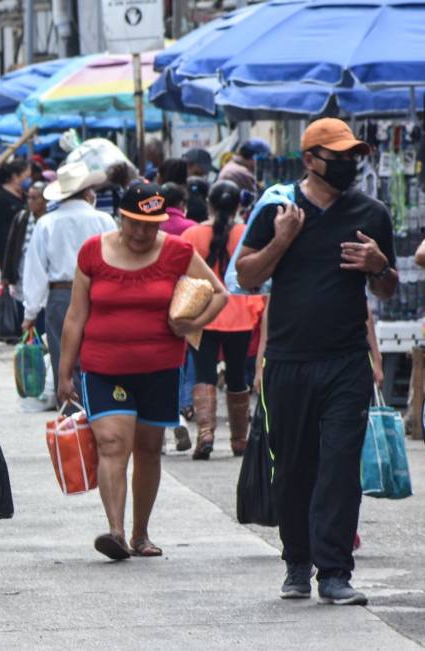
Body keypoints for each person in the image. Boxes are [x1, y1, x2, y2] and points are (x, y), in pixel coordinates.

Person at [235, 118, 397, 606]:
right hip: (288, 360)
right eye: (337, 155)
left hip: (346, 360)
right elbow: (245, 277)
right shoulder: (277, 211)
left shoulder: (371, 212)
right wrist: (282, 240)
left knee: (340, 466)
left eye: (353, 156)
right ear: (310, 159)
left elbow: (386, 288)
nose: (348, 164)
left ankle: (334, 571)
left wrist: (379, 266)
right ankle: (297, 562)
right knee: (294, 467)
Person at [57, 182, 227, 559]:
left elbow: (220, 293)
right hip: (103, 368)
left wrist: (190, 323)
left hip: (161, 369)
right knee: (113, 444)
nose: (142, 233)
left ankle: (140, 533)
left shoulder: (178, 251)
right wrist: (64, 372)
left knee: (148, 448)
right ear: (121, 216)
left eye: (151, 225)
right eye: (134, 223)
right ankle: (115, 531)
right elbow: (75, 315)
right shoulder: (92, 253)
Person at [180, 181, 266, 458]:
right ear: (238, 206)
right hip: (240, 314)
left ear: (209, 204)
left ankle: (205, 434)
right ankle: (239, 439)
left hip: (203, 315)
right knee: (237, 375)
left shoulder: (192, 234)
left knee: (204, 374)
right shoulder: (246, 232)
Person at [22, 162, 116, 398]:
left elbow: (35, 270)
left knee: (64, 356)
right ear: (87, 192)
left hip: (61, 296)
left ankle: (72, 417)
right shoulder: (104, 220)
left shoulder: (47, 223)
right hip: (100, 293)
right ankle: (101, 406)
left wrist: (30, 314)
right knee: (101, 353)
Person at [3, 181, 48, 324]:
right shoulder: (22, 217)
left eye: (35, 198)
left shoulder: (49, 220)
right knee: (24, 303)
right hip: (23, 269)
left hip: (43, 269)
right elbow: (11, 246)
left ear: (45, 200)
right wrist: (7, 274)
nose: (30, 201)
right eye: (29, 197)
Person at [0, 160, 29, 270]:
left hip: (23, 247)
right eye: (26, 176)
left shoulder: (26, 195)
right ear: (15, 176)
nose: (29, 180)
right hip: (5, 249)